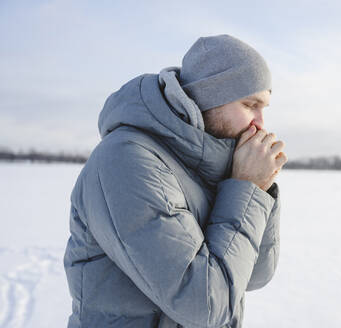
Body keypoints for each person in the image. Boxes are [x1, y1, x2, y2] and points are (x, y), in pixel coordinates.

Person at [63, 34, 287, 328]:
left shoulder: (207, 165)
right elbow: (204, 305)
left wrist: (258, 189)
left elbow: (255, 275)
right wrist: (247, 188)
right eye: (249, 104)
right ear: (209, 98)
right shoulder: (126, 160)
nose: (260, 123)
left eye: (263, 108)